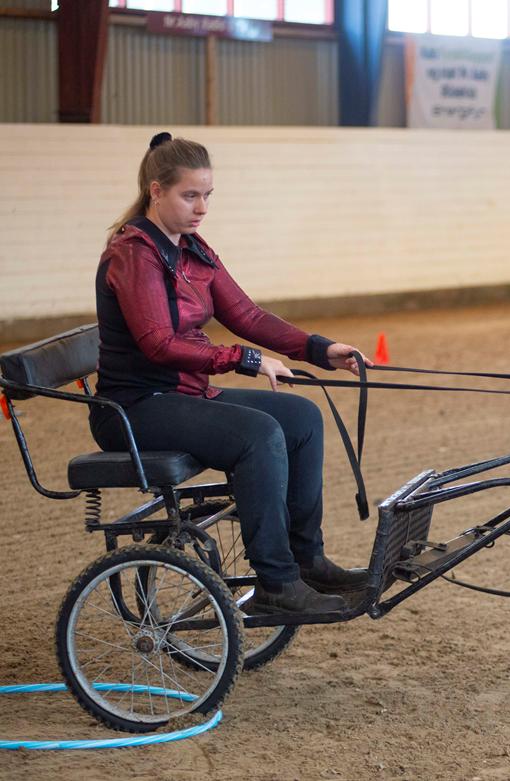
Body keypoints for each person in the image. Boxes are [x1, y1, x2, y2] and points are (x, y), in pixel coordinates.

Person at [89, 132, 372, 614]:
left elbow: (247, 315)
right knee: (258, 434)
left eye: (207, 196)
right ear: (156, 191)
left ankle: (307, 561)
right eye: (190, 195)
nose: (201, 208)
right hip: (135, 407)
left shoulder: (193, 250)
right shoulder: (133, 253)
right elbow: (158, 343)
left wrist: (321, 350)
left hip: (183, 395)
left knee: (301, 418)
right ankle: (276, 585)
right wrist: (244, 359)